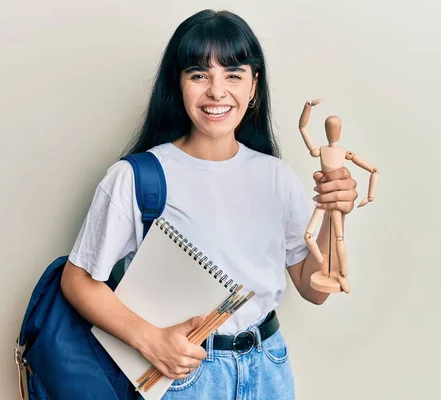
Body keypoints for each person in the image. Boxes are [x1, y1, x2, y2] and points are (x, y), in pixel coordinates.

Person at [60, 8, 358, 400]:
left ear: (254, 87)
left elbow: (314, 289)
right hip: (184, 375)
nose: (217, 91)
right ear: (178, 84)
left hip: (269, 368)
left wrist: (334, 213)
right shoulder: (136, 177)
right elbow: (77, 280)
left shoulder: (277, 176)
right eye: (199, 75)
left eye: (233, 75)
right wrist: (150, 341)